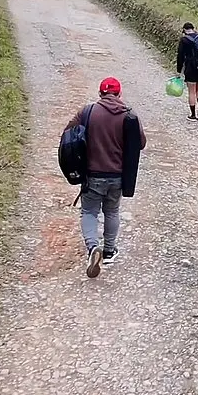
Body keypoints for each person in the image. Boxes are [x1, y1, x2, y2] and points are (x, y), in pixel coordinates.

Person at [64, 77, 146, 278]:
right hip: (117, 176)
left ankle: (93, 247)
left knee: (89, 212)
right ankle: (109, 251)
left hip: (92, 175)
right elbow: (141, 143)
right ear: (119, 94)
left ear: (100, 93)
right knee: (112, 212)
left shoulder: (88, 112)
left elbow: (68, 133)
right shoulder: (130, 115)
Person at [175, 22, 198, 120]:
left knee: (192, 91)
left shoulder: (184, 40)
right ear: (193, 28)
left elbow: (180, 56)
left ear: (184, 30)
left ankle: (192, 114)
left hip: (191, 67)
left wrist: (179, 71)